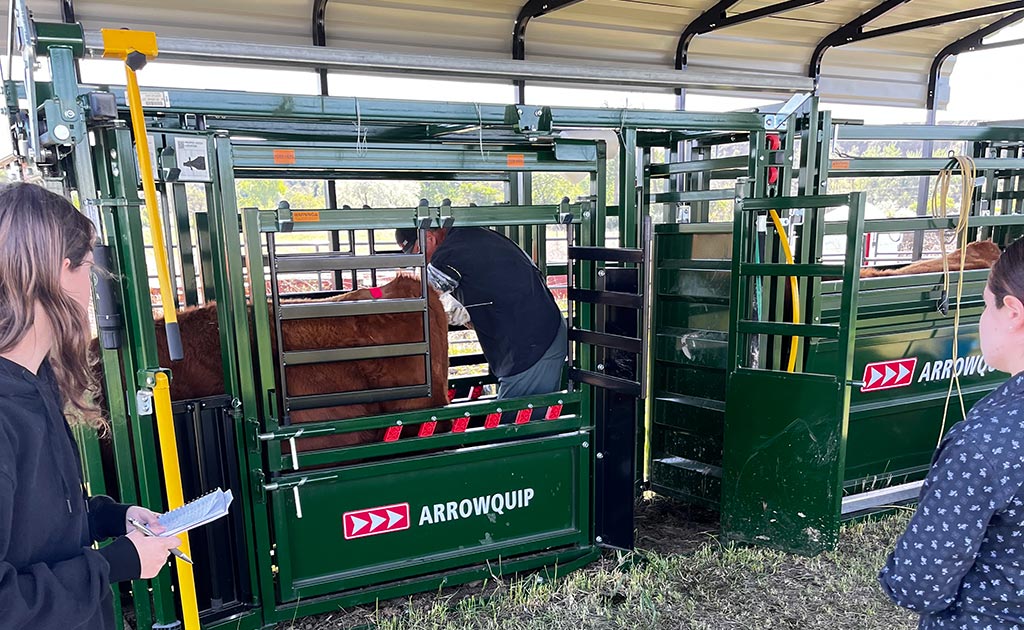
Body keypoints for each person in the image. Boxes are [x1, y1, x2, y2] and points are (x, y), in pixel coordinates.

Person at [0, 183, 181, 630]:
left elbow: (36, 524)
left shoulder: (35, 379)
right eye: (87, 269)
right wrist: (113, 565)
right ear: (60, 272)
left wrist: (111, 517)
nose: (90, 288)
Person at [880, 237, 1024, 629]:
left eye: (983, 304)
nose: (981, 317)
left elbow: (916, 584)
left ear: (1012, 312)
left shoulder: (987, 442)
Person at [396, 225, 567, 399]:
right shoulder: (469, 236)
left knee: (517, 421)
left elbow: (426, 300)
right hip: (538, 332)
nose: (422, 262)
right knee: (528, 416)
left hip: (532, 343)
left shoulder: (447, 254)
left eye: (418, 253)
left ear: (430, 239)